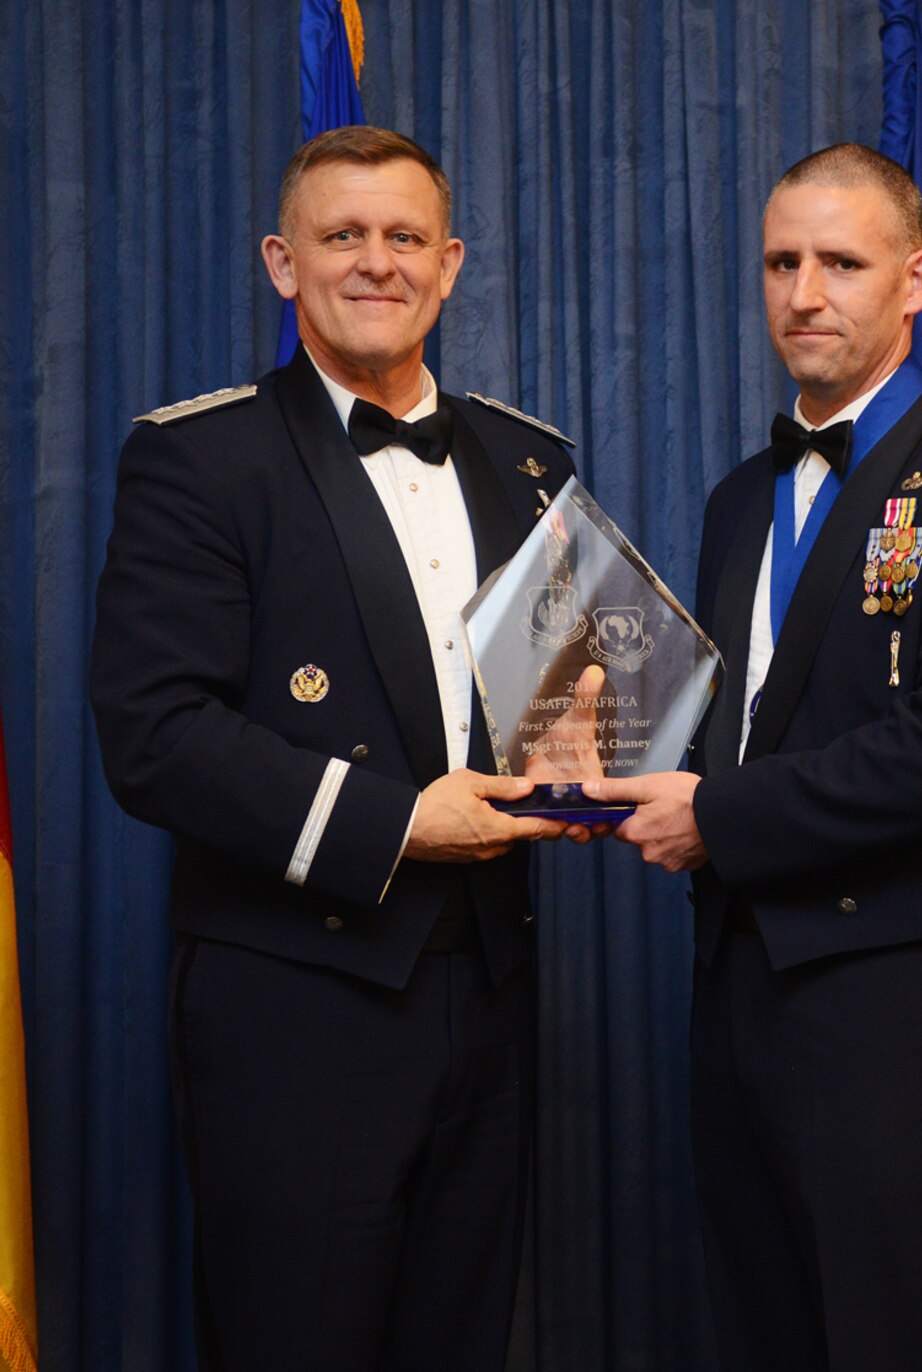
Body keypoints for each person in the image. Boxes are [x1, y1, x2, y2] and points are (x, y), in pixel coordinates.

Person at [90, 126, 577, 1371]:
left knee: (460, 1339)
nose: (375, 262)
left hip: (493, 983)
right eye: (341, 236)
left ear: (451, 261)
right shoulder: (199, 457)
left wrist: (623, 762)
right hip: (293, 999)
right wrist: (402, 822)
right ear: (281, 262)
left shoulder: (530, 463)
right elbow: (154, 736)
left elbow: (562, 706)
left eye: (404, 237)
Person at [584, 143, 922, 1370]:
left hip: (894, 981)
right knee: (766, 1322)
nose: (804, 292)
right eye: (780, 262)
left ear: (913, 280)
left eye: (839, 263)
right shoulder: (738, 499)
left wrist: (717, 816)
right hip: (738, 968)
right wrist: (595, 750)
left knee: (895, 1332)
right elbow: (735, 727)